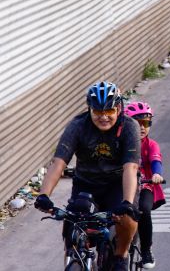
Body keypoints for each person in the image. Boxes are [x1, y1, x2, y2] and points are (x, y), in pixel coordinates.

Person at [35, 82, 141, 271]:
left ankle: (120, 256)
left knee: (127, 219)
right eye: (97, 112)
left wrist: (127, 202)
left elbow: (131, 168)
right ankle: (76, 259)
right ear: (89, 109)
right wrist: (44, 195)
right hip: (86, 184)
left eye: (109, 111)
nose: (103, 117)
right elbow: (58, 163)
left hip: (117, 184)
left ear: (118, 108)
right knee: (72, 229)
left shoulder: (129, 127)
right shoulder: (77, 126)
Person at [123, 102, 165, 269]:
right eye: (137, 123)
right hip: (122, 185)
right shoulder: (121, 143)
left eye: (146, 123)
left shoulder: (151, 145)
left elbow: (156, 161)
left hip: (144, 186)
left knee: (144, 210)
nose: (142, 127)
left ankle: (146, 250)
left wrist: (156, 174)